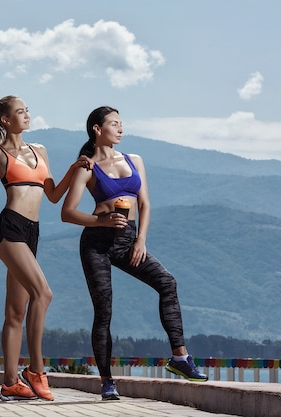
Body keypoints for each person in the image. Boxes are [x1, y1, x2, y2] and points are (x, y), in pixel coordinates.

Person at [61, 106, 208, 400]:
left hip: (129, 239)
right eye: (114, 124)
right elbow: (67, 212)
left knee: (167, 283)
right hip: (97, 242)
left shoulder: (134, 160)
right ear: (97, 129)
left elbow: (146, 204)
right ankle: (107, 381)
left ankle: (180, 358)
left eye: (121, 124)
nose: (121, 129)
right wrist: (100, 220)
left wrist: (141, 240)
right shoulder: (86, 166)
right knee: (104, 311)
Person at [0, 95, 91, 402]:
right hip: (9, 228)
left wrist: (73, 169)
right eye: (21, 111)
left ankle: (10, 383)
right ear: (5, 120)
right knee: (44, 293)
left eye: (27, 111)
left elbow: (52, 195)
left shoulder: (40, 150)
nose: (27, 115)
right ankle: (37, 370)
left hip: (32, 232)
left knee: (16, 311)